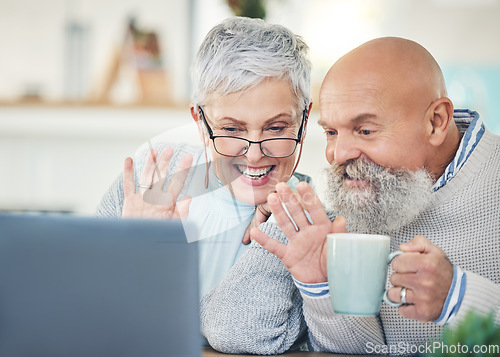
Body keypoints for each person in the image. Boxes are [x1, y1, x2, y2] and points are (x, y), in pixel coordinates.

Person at [205, 36, 499, 354]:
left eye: (365, 131)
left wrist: (461, 297)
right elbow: (233, 331)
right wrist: (318, 283)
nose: (338, 154)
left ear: (435, 122)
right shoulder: (349, 197)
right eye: (330, 132)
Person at [95, 17, 312, 354]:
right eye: (232, 129)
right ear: (200, 122)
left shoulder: (305, 222)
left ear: (304, 120)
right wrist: (134, 256)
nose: (254, 154)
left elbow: (243, 333)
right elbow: (81, 306)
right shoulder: (150, 180)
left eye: (276, 128)